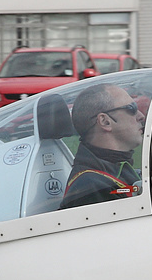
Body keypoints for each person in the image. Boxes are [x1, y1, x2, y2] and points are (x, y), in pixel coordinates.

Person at [60, 82, 144, 210]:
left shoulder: (119, 170)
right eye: (131, 108)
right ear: (105, 121)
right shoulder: (91, 187)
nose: (141, 116)